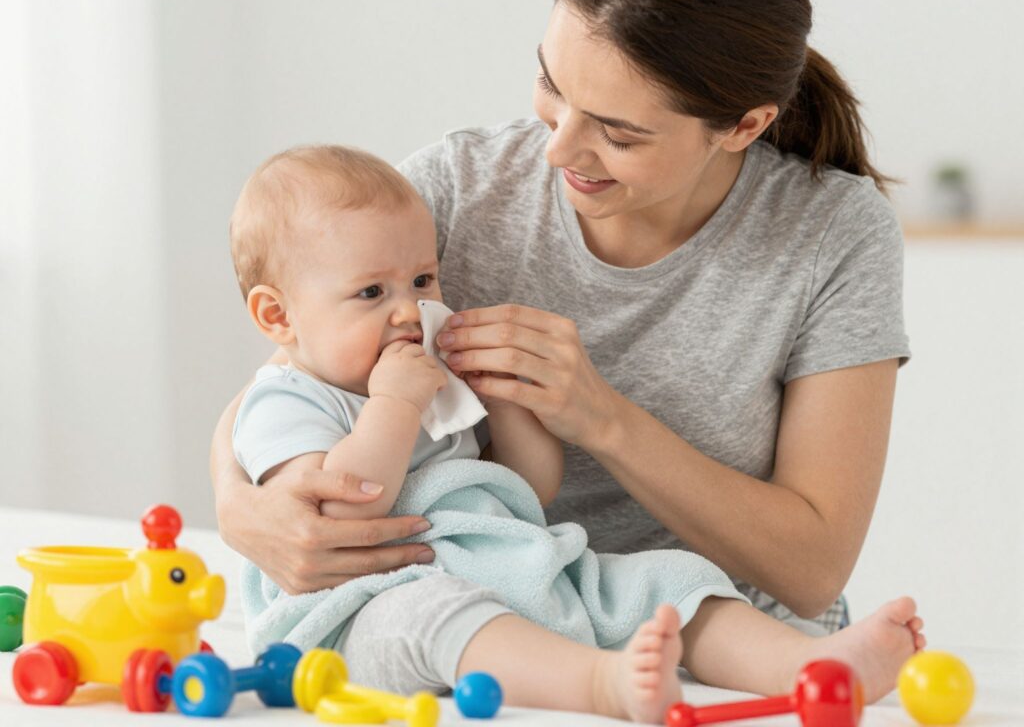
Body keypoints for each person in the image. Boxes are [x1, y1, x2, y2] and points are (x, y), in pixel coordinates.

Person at [213, 0, 910, 688]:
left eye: (618, 132)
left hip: (673, 614)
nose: (556, 150)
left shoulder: (830, 232)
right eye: (551, 83)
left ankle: (810, 669)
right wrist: (238, 508)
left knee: (671, 582)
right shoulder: (456, 187)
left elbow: (813, 571)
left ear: (743, 125)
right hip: (465, 609)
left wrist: (597, 415)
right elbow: (289, 375)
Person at [226, 144, 923, 722]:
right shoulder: (286, 404)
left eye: (423, 279)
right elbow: (352, 503)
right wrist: (394, 405)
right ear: (277, 317)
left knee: (667, 578)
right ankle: (600, 684)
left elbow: (528, 490)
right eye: (372, 294)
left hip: (516, 567)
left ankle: (808, 665)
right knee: (438, 614)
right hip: (362, 614)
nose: (411, 311)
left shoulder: (423, 380)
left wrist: (508, 407)